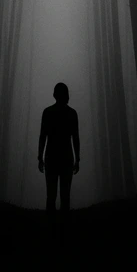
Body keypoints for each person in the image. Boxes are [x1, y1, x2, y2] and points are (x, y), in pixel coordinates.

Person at [37, 83, 80, 219]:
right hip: (66, 157)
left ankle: (51, 225)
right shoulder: (72, 114)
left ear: (54, 95)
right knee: (65, 196)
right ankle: (64, 226)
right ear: (66, 95)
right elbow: (75, 138)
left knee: (51, 195)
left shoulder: (47, 112)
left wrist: (40, 157)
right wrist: (77, 159)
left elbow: (43, 136)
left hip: (51, 157)